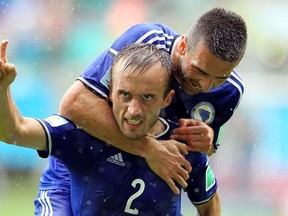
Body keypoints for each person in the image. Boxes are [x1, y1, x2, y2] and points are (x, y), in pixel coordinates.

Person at [35, 7, 247, 214]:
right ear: (183, 46)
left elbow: (205, 153)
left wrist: (206, 141)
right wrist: (148, 149)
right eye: (199, 70)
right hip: (78, 170)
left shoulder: (229, 91)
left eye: (221, 77)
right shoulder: (146, 39)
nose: (206, 85)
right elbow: (75, 104)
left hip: (147, 185)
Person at [0, 43, 221, 215]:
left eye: (147, 98)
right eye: (125, 95)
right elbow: (14, 131)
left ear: (167, 99)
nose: (134, 110)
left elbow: (209, 206)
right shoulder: (82, 133)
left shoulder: (184, 147)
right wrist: (2, 89)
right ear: (109, 93)